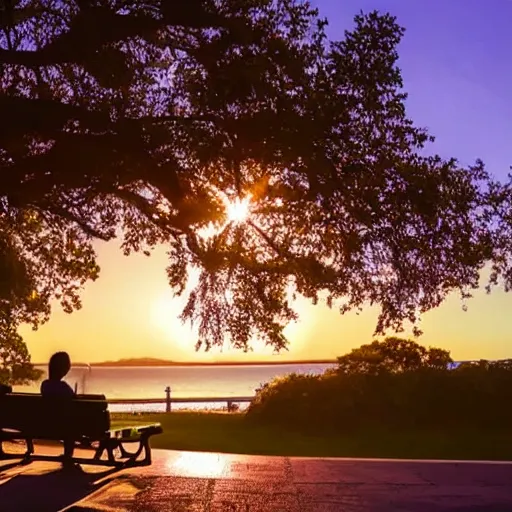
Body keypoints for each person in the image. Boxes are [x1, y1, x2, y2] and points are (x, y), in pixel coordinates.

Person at [40, 351, 76, 466]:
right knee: (70, 423)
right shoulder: (64, 387)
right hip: (65, 426)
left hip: (48, 425)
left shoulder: (44, 385)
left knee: (67, 421)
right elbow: (74, 400)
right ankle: (68, 454)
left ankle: (67, 455)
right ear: (64, 369)